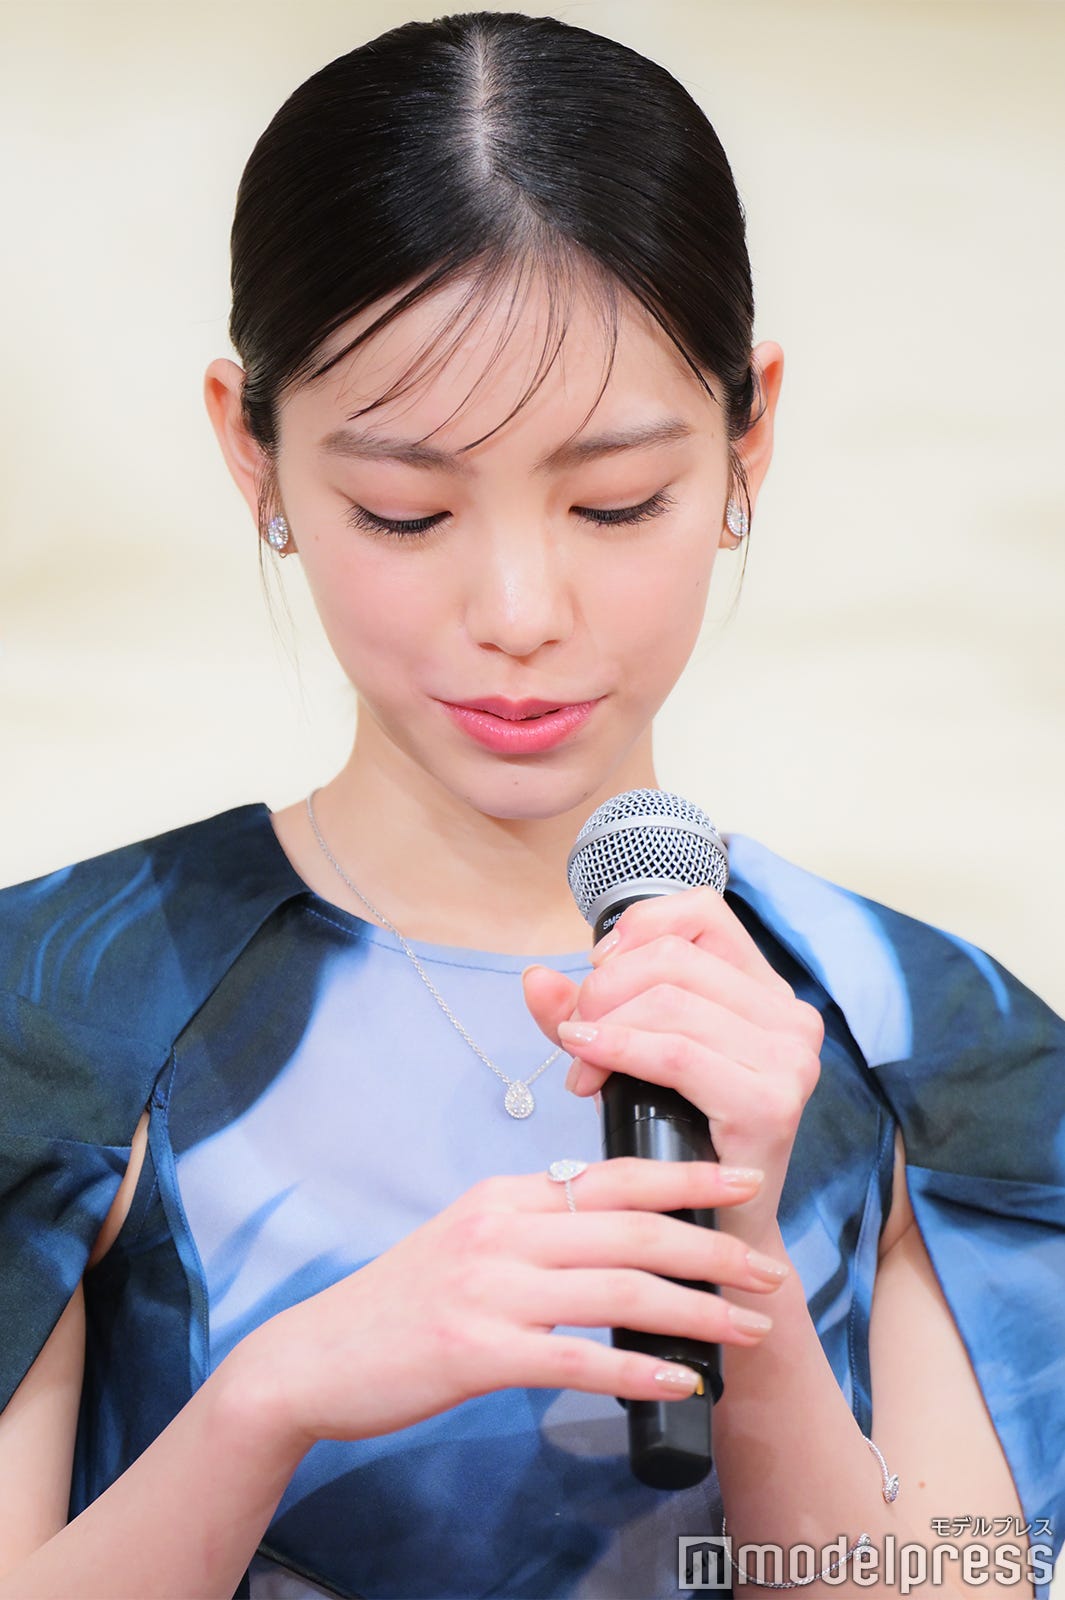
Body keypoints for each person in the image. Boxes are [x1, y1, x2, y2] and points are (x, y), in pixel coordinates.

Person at [0, 11, 1062, 1599]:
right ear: (253, 451)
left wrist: (749, 1304)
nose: (517, 611)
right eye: (404, 510)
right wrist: (263, 1403)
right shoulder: (59, 1012)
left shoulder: (929, 1042)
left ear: (748, 434)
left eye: (616, 502)